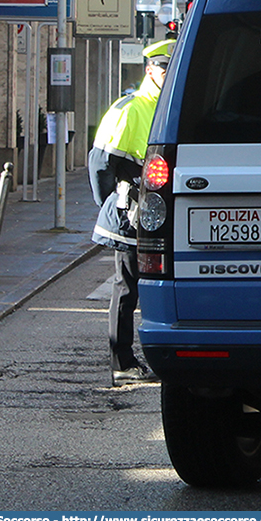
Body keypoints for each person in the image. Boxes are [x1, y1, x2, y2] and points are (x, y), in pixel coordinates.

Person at [89, 39, 173, 386]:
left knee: (148, 286)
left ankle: (137, 356)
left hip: (153, 212)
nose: (168, 74)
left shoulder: (167, 107)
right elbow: (100, 164)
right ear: (149, 70)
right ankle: (121, 360)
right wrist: (113, 202)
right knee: (126, 289)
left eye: (172, 67)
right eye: (163, 67)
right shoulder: (130, 108)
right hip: (129, 213)